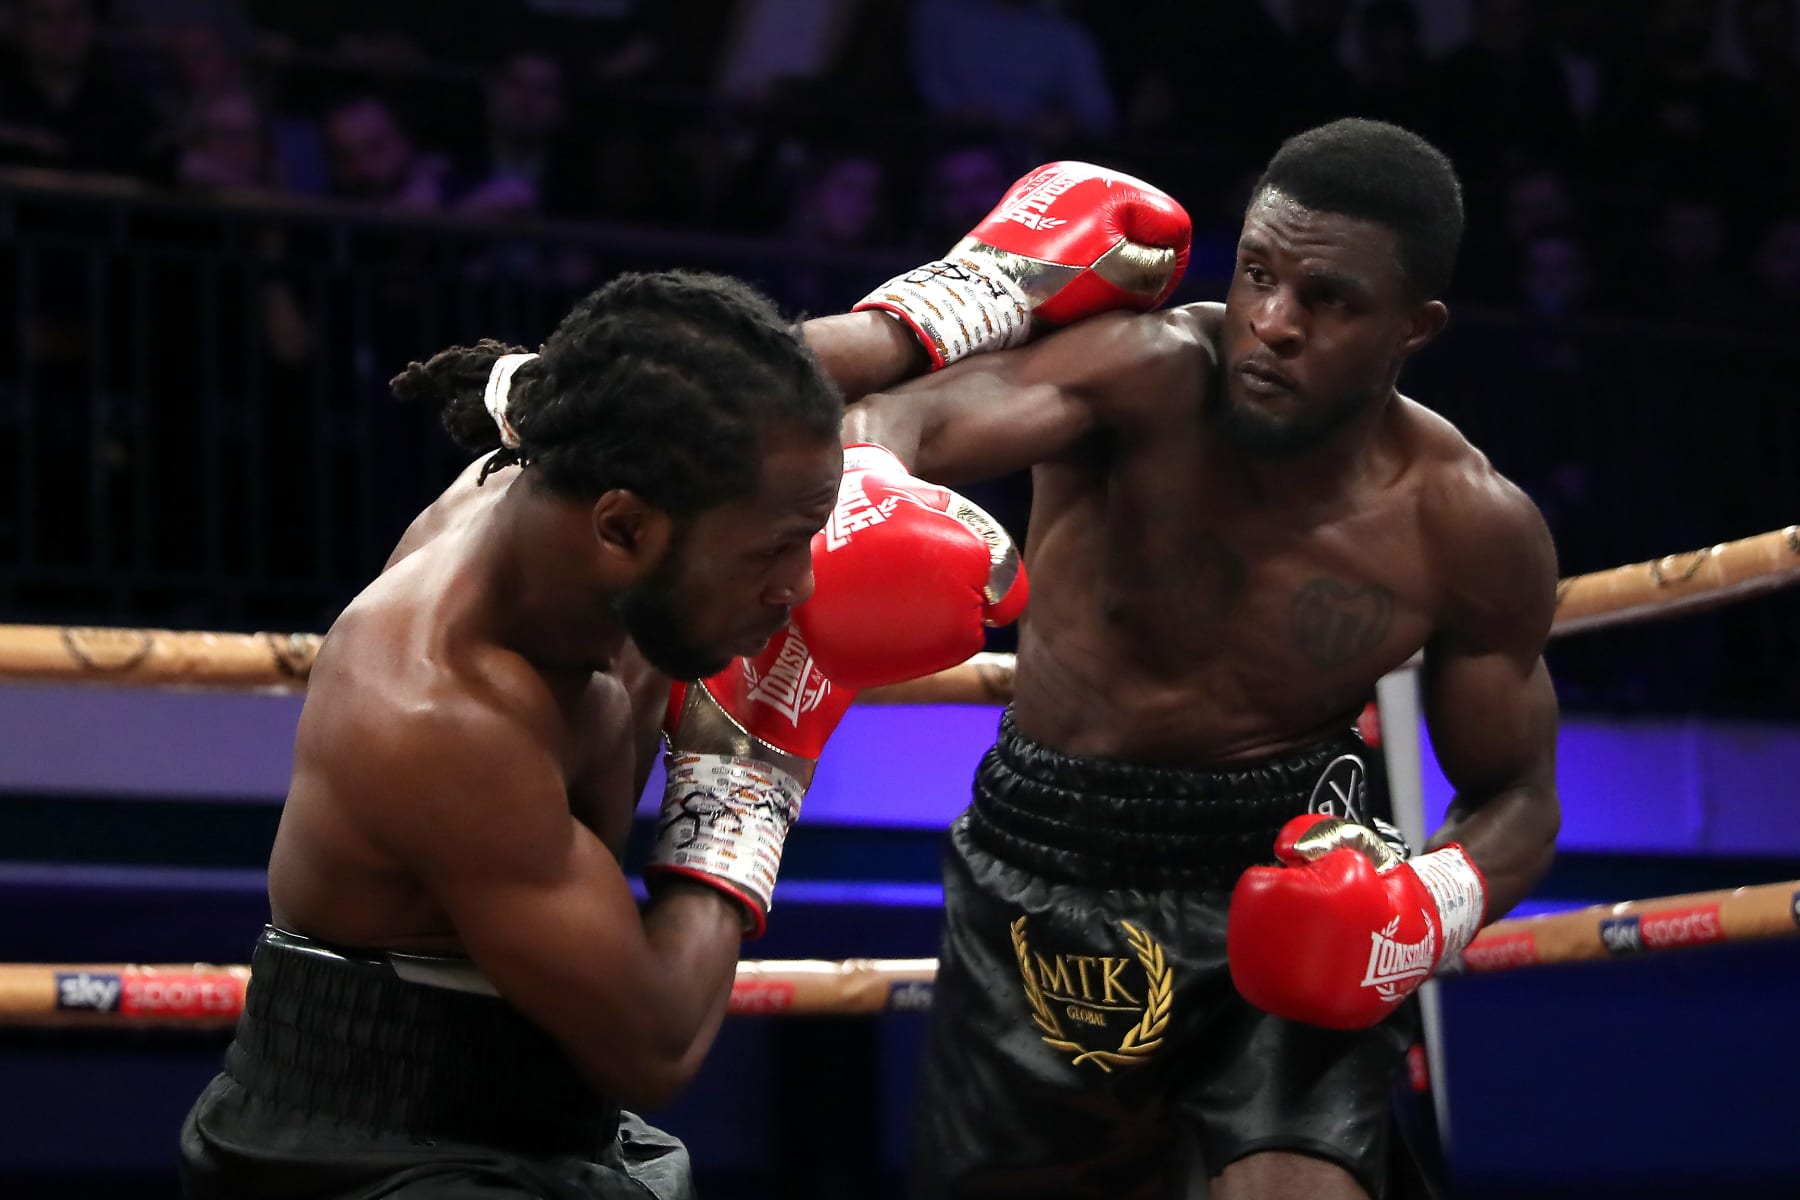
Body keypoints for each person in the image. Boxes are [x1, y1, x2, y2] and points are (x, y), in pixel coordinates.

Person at [176, 154, 1193, 1198]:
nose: (802, 586)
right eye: (774, 550)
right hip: (367, 1156)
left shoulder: (604, 460)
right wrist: (753, 753)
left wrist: (971, 295)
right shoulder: (440, 710)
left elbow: (746, 377)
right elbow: (655, 1044)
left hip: (547, 1127)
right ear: (623, 528)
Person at [837, 118, 1561, 1198]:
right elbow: (906, 420)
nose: (1272, 323)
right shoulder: (1147, 371)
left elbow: (1518, 796)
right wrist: (871, 492)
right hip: (1049, 864)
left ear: (1416, 327)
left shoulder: (1467, 524)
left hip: (1291, 866)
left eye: (1329, 300)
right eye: (1260, 274)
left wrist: (1431, 902)